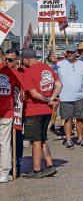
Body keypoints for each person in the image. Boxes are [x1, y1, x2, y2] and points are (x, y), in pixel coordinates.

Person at [21, 48, 61, 178]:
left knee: (36, 141)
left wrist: (49, 99)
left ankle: (37, 170)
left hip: (34, 110)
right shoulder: (48, 68)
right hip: (47, 110)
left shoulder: (29, 71)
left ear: (27, 59)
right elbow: (59, 84)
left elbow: (34, 94)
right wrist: (53, 97)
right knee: (42, 139)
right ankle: (49, 165)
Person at [56, 45, 83, 149]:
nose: (70, 54)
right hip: (65, 97)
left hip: (79, 96)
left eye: (72, 52)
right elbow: (56, 80)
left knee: (80, 119)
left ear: (76, 53)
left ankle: (80, 139)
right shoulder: (60, 64)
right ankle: (69, 140)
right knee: (67, 119)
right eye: (68, 52)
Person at [0, 50, 19, 182]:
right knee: (5, 143)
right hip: (7, 110)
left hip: (7, 111)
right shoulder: (11, 72)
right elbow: (19, 89)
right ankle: (4, 173)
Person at [5, 49, 24, 176]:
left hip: (18, 110)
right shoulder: (4, 70)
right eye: (6, 59)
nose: (8, 62)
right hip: (5, 110)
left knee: (16, 139)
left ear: (17, 59)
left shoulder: (21, 72)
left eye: (10, 60)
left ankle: (16, 165)